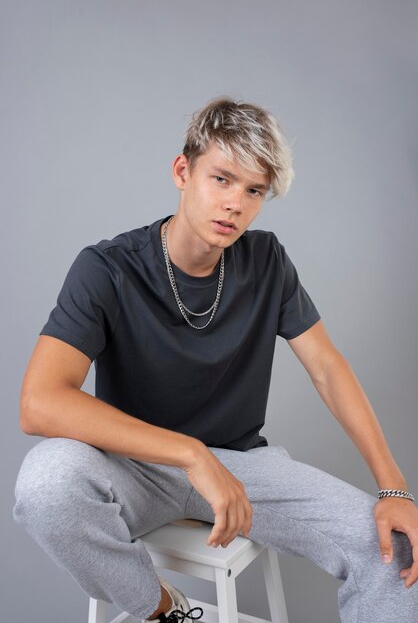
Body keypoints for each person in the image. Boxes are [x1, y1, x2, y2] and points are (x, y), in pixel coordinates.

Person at [13, 96, 418, 623]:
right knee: (47, 484)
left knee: (399, 549)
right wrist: (189, 455)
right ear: (183, 171)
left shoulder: (266, 259)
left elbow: (326, 367)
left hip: (243, 468)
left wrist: (394, 487)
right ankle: (161, 609)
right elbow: (39, 403)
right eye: (222, 179)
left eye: (254, 191)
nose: (236, 205)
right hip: (134, 467)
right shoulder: (107, 268)